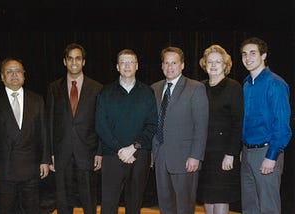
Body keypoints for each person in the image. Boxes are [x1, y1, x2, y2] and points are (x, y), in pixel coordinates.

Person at [0, 58, 50, 213]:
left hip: (31, 167)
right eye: (9, 71)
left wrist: (45, 160)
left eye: (18, 71)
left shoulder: (37, 100)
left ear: (24, 75)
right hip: (4, 169)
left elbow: (44, 132)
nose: (14, 75)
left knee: (32, 209)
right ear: (2, 77)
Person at [95, 49, 157, 214]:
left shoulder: (148, 92)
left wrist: (133, 148)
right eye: (123, 62)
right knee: (108, 205)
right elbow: (101, 126)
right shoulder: (105, 92)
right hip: (112, 156)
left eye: (130, 62)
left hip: (139, 155)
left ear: (137, 66)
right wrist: (120, 149)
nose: (127, 65)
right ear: (117, 67)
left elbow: (152, 125)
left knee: (134, 205)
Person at [46, 43, 103, 214]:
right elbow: (49, 123)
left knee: (89, 201)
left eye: (78, 58)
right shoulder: (53, 88)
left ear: (83, 62)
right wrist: (50, 154)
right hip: (61, 154)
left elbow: (100, 123)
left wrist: (99, 151)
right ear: (65, 62)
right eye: (70, 59)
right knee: (63, 202)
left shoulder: (97, 88)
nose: (74, 62)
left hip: (88, 152)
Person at [151, 46, 209, 214]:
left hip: (186, 160)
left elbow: (201, 125)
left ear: (182, 65)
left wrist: (196, 156)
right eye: (166, 63)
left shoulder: (195, 88)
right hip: (160, 157)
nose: (170, 67)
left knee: (184, 207)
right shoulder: (154, 88)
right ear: (162, 66)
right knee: (165, 206)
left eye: (174, 63)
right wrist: (152, 154)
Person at [240, 37, 292, 214]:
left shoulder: (275, 83)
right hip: (247, 154)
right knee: (249, 207)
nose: (248, 58)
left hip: (266, 152)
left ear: (264, 55)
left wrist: (272, 156)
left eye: (253, 53)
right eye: (244, 54)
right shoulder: (246, 84)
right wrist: (243, 149)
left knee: (268, 207)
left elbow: (282, 125)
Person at [196, 45, 243, 214]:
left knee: (221, 196)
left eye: (218, 62)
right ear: (204, 64)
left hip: (224, 153)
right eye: (210, 61)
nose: (213, 65)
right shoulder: (200, 87)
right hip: (204, 153)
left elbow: (238, 123)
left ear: (225, 65)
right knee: (208, 195)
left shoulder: (233, 87)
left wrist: (231, 153)